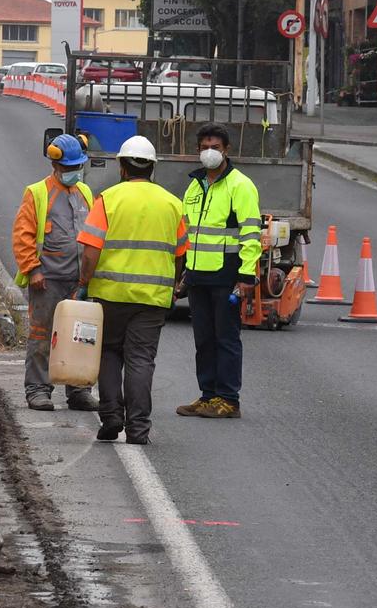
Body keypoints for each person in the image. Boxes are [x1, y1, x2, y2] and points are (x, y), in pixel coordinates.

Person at [76, 135, 187, 445]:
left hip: (109, 296)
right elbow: (179, 255)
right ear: (152, 168)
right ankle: (138, 429)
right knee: (140, 360)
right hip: (153, 299)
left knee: (109, 354)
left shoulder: (108, 200)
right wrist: (172, 287)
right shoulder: (172, 204)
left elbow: (90, 252)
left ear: (121, 166)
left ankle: (111, 416)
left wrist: (83, 284)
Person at [175, 123, 263, 420]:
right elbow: (188, 232)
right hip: (198, 275)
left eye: (214, 147)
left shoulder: (241, 185)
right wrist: (185, 273)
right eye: (203, 147)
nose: (208, 152)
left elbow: (251, 234)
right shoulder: (194, 186)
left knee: (226, 338)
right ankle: (208, 395)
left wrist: (246, 275)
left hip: (227, 276)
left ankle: (228, 399)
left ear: (226, 150)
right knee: (204, 339)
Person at [13, 133, 96, 412]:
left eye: (77, 167)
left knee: (81, 337)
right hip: (47, 280)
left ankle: (79, 390)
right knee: (42, 335)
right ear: (55, 165)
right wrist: (32, 269)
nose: (74, 173)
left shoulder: (84, 192)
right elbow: (23, 236)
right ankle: (38, 389)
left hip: (79, 279)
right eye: (69, 168)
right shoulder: (37, 193)